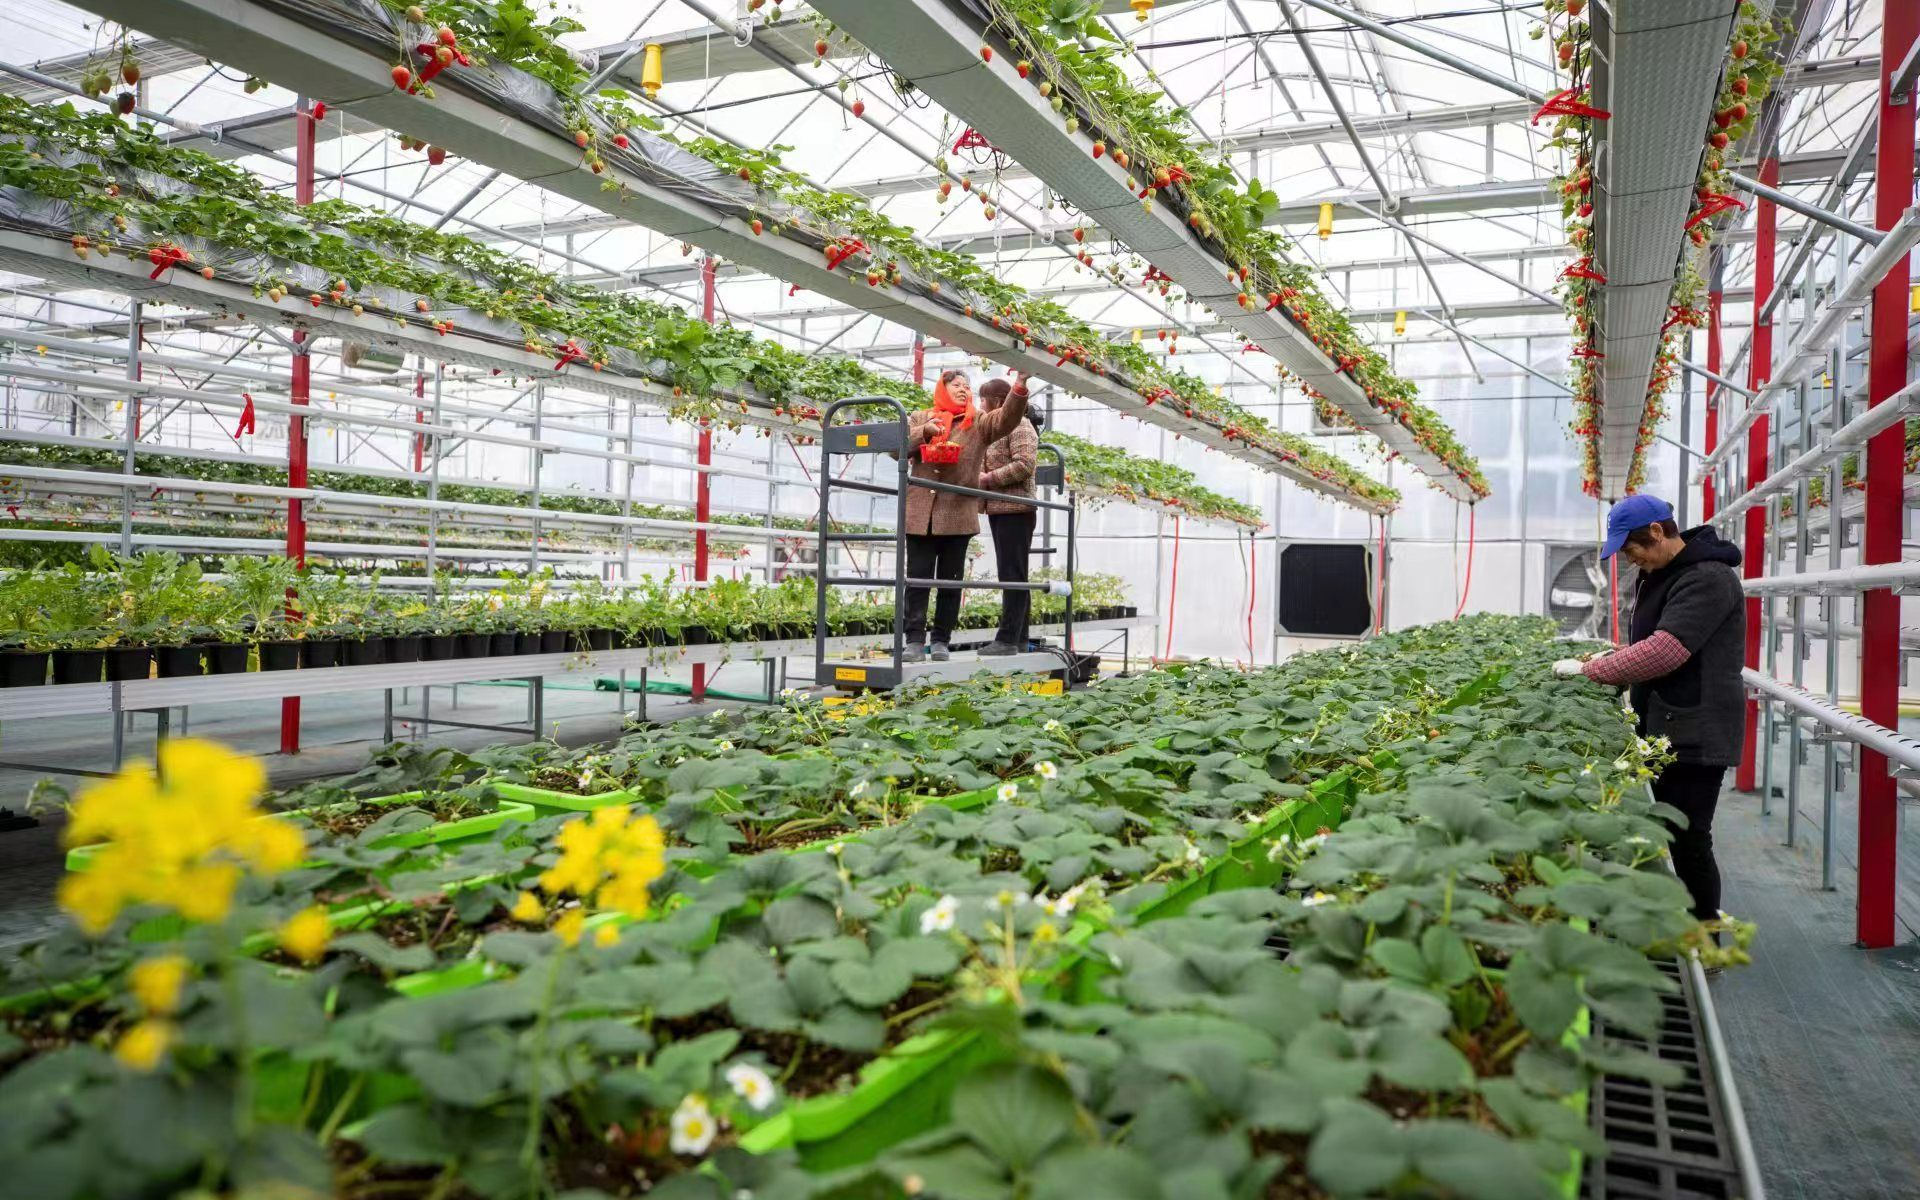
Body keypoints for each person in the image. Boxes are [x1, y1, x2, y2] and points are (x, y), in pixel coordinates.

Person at [1552, 494, 1746, 921]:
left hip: (1696, 729)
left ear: (1657, 532)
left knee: (1689, 836)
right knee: (1667, 827)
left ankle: (1704, 940)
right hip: (1668, 721)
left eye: (1632, 548)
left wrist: (1592, 671)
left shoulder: (1708, 578)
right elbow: (1647, 646)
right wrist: (1608, 660)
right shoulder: (1663, 574)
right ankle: (1674, 922)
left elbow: (1665, 651)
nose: (1630, 559)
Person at [901, 368, 1030, 661]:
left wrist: (1019, 387)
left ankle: (941, 640)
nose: (963, 389)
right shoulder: (921, 417)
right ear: (943, 388)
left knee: (951, 582)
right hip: (919, 513)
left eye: (967, 386)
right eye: (957, 385)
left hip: (957, 514)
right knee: (917, 579)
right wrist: (925, 433)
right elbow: (896, 450)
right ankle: (913, 641)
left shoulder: (979, 422)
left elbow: (1007, 419)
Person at [977, 377, 1040, 656]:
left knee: (1013, 574)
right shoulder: (997, 428)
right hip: (1000, 509)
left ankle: (1007, 639)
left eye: (984, 400)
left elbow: (1025, 465)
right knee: (1013, 574)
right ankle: (1017, 638)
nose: (981, 405)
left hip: (1016, 509)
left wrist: (988, 479)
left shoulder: (1021, 426)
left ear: (998, 401)